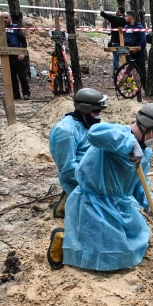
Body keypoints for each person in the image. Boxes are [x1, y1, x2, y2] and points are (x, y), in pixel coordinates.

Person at [47, 103, 153, 271]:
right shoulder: (116, 134)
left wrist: (150, 204)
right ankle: (64, 240)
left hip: (118, 204)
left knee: (135, 241)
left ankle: (77, 238)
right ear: (147, 127)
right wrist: (129, 143)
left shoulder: (145, 153)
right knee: (109, 253)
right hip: (93, 203)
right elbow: (95, 133)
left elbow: (140, 183)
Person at [48, 88, 110, 218]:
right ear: (85, 110)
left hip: (90, 172)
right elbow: (68, 169)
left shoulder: (85, 123)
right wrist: (96, 181)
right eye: (96, 112)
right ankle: (68, 202)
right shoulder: (66, 132)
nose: (99, 116)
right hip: (78, 177)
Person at [0, 11, 31, 100]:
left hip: (18, 56)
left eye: (6, 17)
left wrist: (22, 53)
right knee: (12, 76)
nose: (5, 20)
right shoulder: (1, 29)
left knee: (22, 76)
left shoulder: (16, 28)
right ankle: (16, 94)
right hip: (7, 57)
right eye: (3, 18)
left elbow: (23, 41)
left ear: (10, 18)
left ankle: (26, 93)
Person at [123, 10, 147, 93]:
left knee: (141, 71)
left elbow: (143, 40)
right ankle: (129, 89)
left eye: (126, 16)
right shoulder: (126, 27)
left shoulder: (139, 27)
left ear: (131, 17)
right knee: (128, 71)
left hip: (138, 53)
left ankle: (145, 88)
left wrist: (137, 49)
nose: (125, 18)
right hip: (129, 53)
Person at [100, 6, 126, 73]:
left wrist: (101, 7)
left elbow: (103, 14)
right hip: (123, 41)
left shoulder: (114, 18)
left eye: (116, 10)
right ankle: (125, 71)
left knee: (116, 57)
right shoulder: (125, 20)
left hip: (115, 41)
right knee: (124, 57)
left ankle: (116, 72)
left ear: (119, 11)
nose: (115, 11)